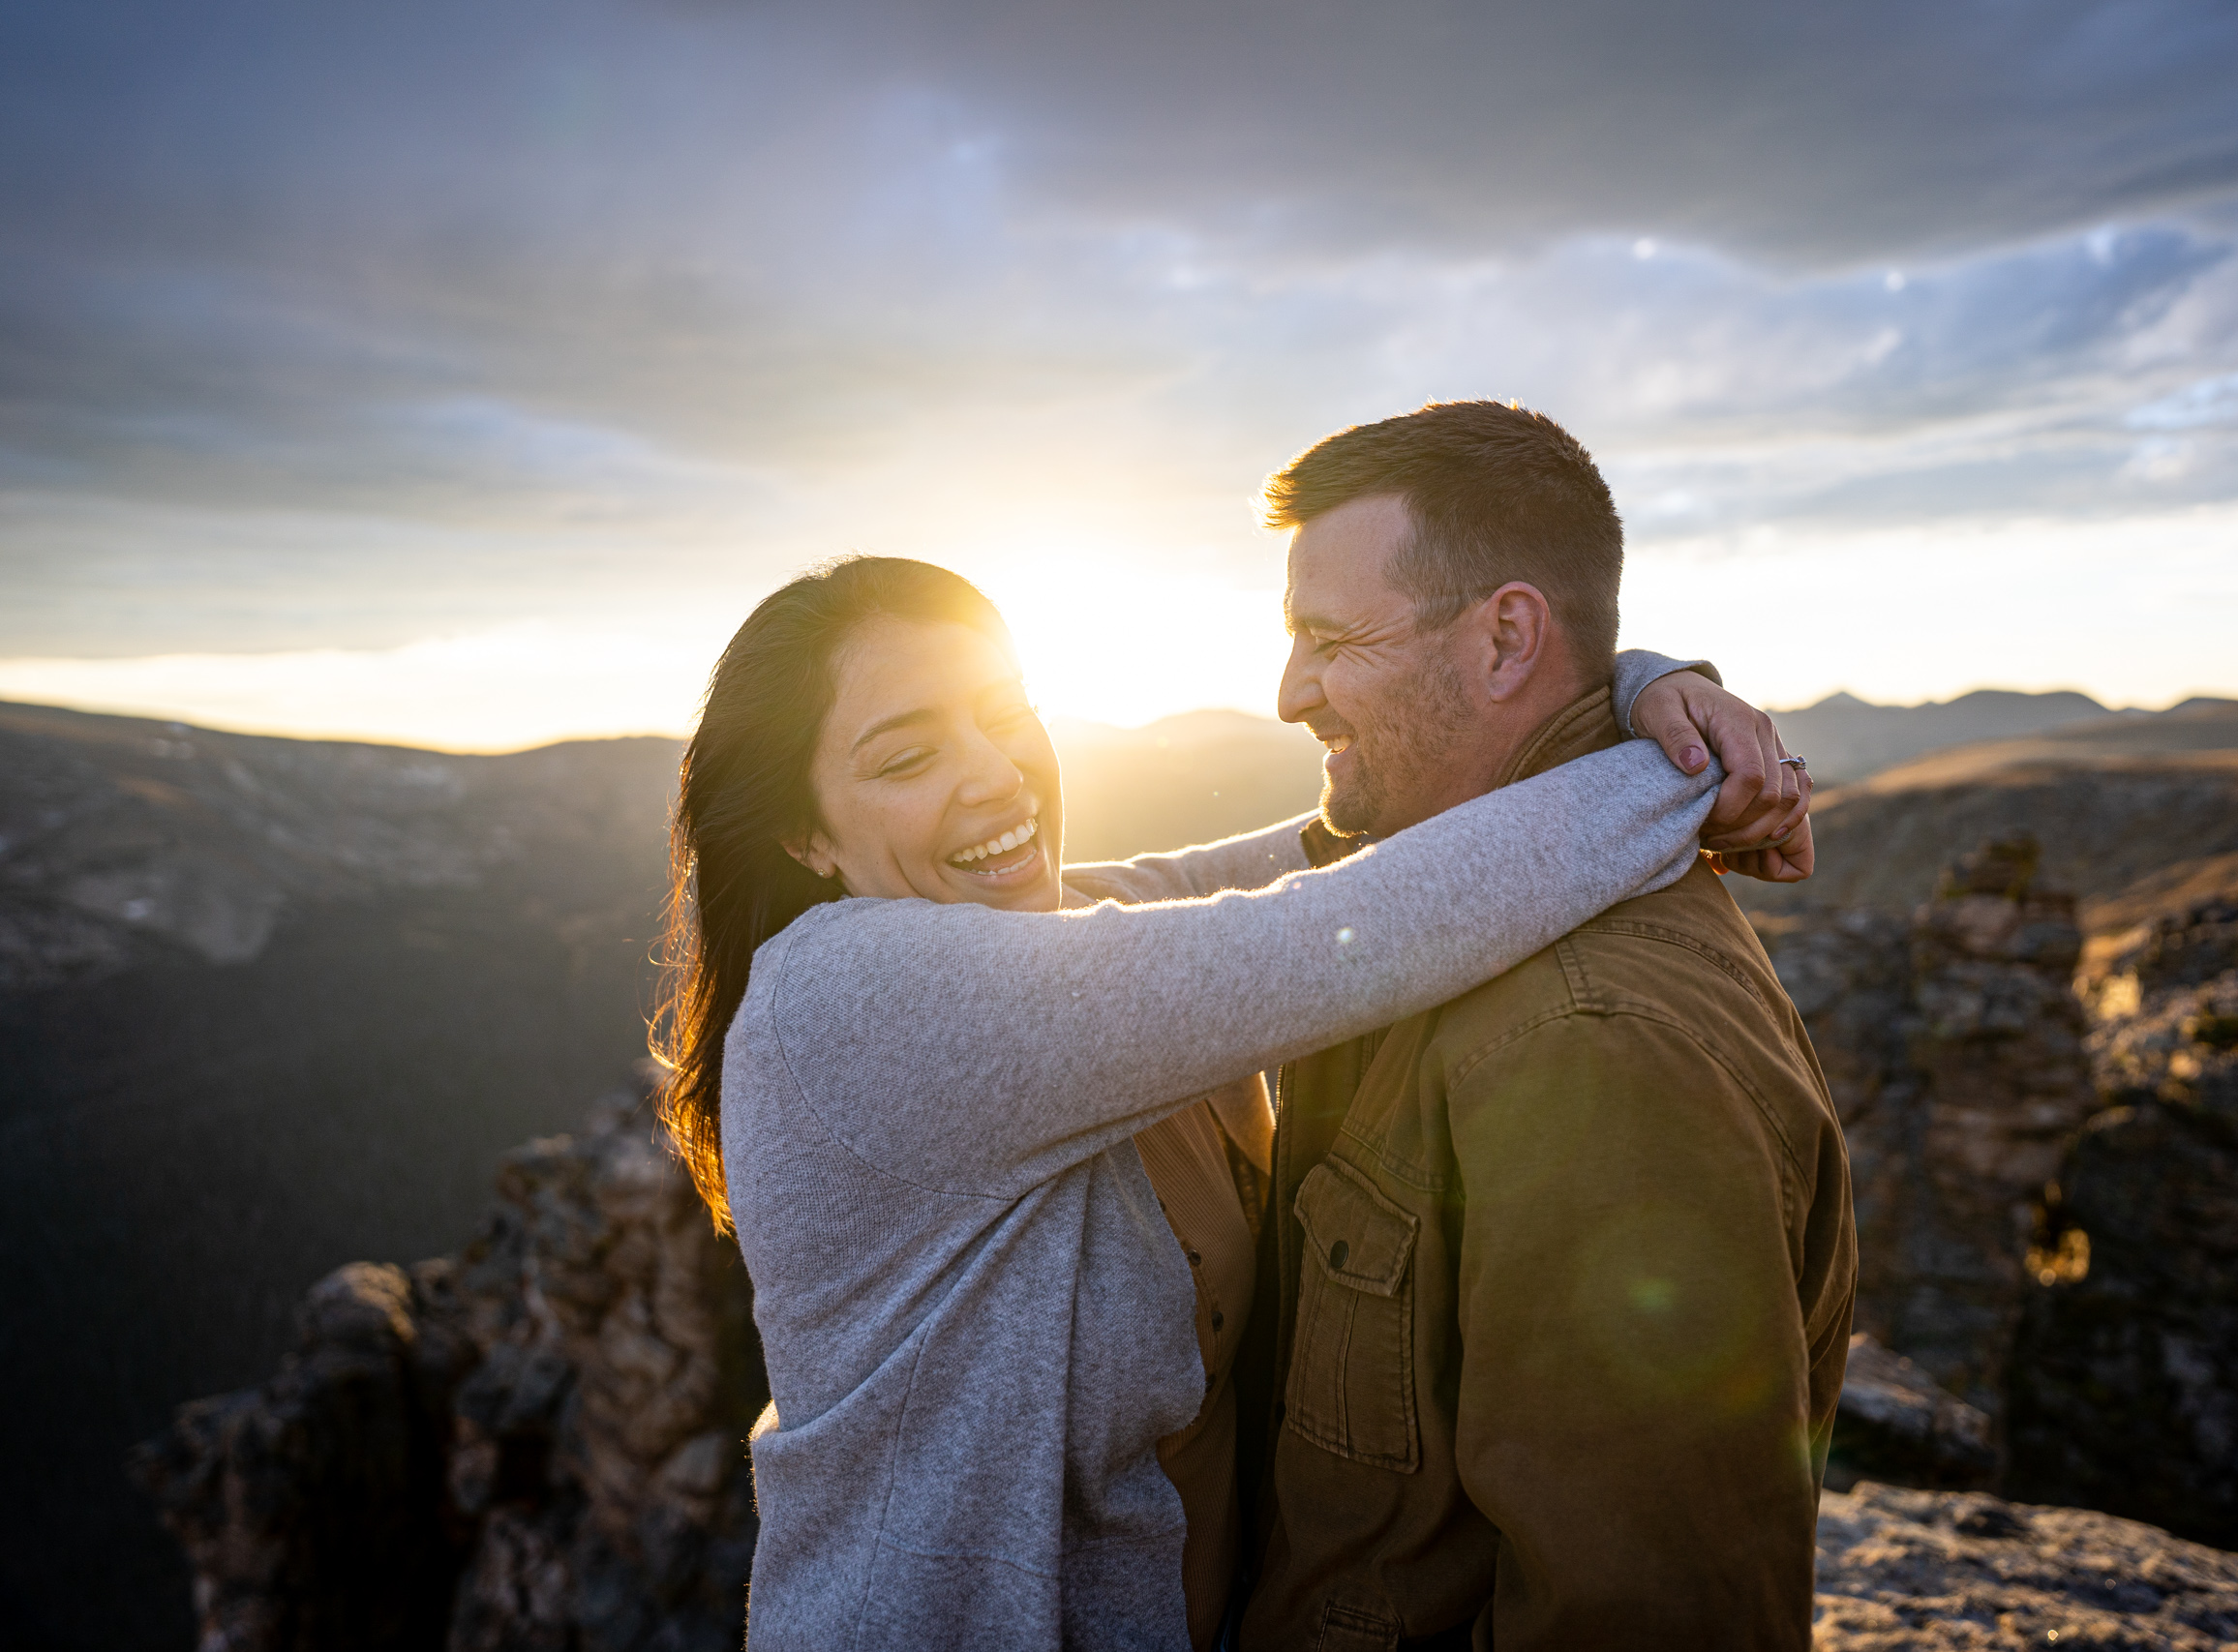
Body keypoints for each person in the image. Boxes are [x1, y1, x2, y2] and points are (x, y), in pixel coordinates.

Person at [650, 554, 1803, 1650]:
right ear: (803, 834)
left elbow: (1337, 848)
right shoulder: (852, 996)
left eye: (1004, 711)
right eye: (905, 758)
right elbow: (1357, 927)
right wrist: (1687, 779)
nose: (995, 773)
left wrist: (1644, 689)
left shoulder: (1050, 932)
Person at [1233, 402, 1858, 1652]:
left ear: (1508, 635)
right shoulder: (1427, 896)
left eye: (1326, 640)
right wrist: (1647, 686)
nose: (1289, 689)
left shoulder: (1593, 1047)